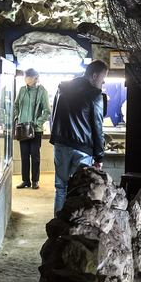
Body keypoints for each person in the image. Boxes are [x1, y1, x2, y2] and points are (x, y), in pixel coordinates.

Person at [49, 60, 108, 215]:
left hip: (61, 145)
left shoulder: (62, 88)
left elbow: (53, 116)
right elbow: (97, 128)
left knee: (61, 188)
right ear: (94, 75)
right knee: (79, 189)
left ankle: (57, 224)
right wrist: (99, 156)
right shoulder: (95, 95)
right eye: (102, 80)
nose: (103, 84)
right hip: (83, 149)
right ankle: (73, 225)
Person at [13, 68, 51, 189]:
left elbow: (47, 111)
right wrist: (17, 118)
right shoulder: (22, 90)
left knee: (35, 156)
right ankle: (25, 180)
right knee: (24, 156)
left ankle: (35, 180)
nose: (24, 78)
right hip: (22, 128)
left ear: (33, 78)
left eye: (26, 76)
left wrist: (36, 123)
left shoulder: (42, 91)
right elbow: (16, 105)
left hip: (36, 130)